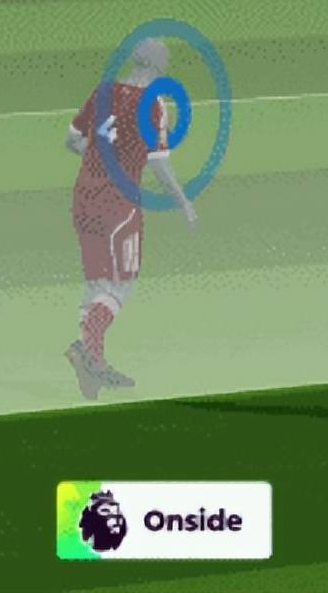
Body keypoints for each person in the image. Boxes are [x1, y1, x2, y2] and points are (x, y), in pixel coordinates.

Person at [62, 38, 197, 400]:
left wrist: (102, 159)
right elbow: (159, 165)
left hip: (84, 198)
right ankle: (83, 349)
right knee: (119, 284)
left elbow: (72, 140)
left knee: (97, 282)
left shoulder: (103, 91)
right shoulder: (153, 104)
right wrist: (184, 202)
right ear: (159, 65)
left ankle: (94, 365)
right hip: (118, 206)